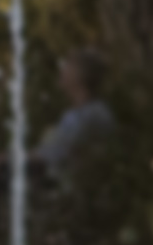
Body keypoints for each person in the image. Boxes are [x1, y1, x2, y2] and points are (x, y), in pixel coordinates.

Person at [31, 46, 118, 192]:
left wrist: (12, 159)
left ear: (80, 75)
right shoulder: (76, 115)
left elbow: (53, 153)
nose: (62, 69)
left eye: (68, 66)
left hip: (73, 195)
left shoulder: (92, 114)